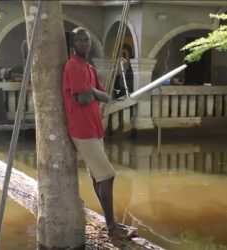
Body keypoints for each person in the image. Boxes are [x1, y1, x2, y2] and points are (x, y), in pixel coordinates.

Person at [62, 27, 137, 240]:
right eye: (79, 40)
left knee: (98, 176)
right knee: (108, 174)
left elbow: (105, 95)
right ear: (72, 44)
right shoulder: (73, 66)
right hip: (82, 130)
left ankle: (109, 222)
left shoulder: (89, 67)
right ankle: (112, 226)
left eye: (86, 39)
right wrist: (94, 92)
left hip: (95, 127)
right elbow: (84, 98)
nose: (84, 43)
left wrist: (93, 92)